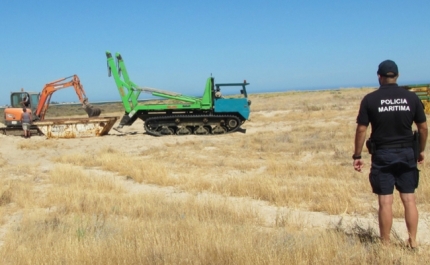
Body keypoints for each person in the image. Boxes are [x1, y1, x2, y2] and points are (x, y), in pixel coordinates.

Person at [353, 60, 428, 249]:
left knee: (385, 201)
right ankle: (413, 241)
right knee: (409, 199)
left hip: (383, 154)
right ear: (397, 76)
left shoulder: (370, 99)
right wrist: (420, 150)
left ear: (379, 76)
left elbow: (361, 130)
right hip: (407, 153)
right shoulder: (411, 98)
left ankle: (385, 244)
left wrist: (357, 155)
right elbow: (423, 127)